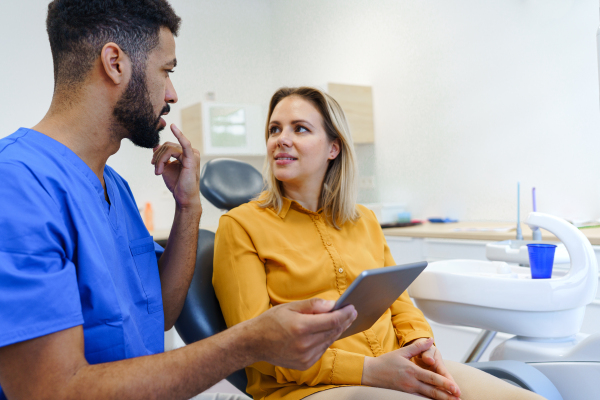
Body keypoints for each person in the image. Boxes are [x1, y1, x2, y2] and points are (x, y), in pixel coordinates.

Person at [0, 3, 357, 400]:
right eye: (166, 71)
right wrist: (247, 342)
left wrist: (188, 206)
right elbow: (49, 391)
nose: (171, 93)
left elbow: (163, 313)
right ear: (115, 63)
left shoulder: (113, 186)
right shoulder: (16, 184)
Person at [212, 87, 547, 400]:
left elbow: (399, 302)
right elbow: (254, 346)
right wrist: (369, 370)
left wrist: (420, 343)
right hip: (310, 388)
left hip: (398, 366)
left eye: (299, 129)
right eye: (274, 129)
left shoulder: (363, 220)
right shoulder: (240, 226)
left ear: (333, 148)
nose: (281, 140)